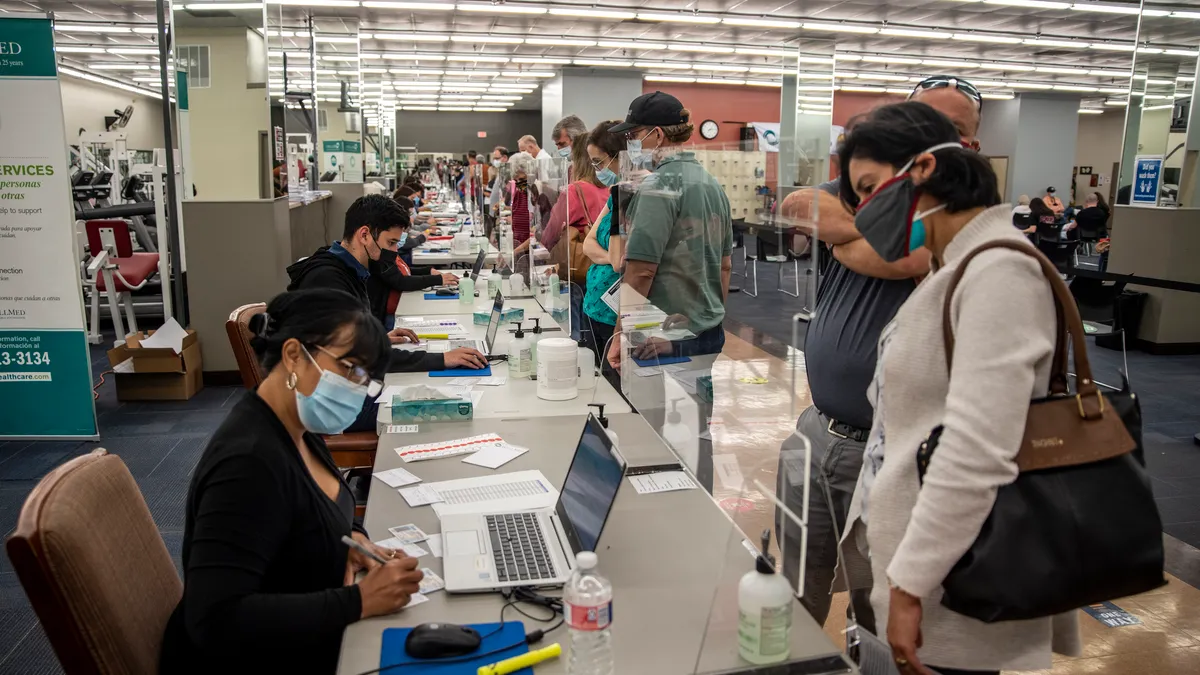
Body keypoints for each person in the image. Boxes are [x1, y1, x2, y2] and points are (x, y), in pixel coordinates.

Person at [837, 99, 1079, 675]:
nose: (866, 209)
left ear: (922, 169)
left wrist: (910, 585)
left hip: (950, 578)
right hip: (917, 557)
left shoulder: (1000, 271)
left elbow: (976, 446)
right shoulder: (954, 267)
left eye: (871, 187)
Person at [774, 74, 983, 634]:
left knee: (880, 617)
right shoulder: (867, 189)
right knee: (792, 591)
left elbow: (910, 258)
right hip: (816, 430)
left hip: (894, 456)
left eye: (948, 132)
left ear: (971, 148)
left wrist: (843, 234)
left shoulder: (968, 224)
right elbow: (796, 204)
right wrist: (868, 233)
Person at [159, 289, 426, 674]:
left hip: (307, 632)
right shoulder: (248, 462)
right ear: (294, 355)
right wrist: (360, 601)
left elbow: (310, 511)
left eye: (364, 376)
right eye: (349, 368)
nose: (357, 386)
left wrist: (353, 541)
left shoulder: (298, 425)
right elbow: (214, 620)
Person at [286, 194, 485, 373]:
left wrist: (375, 338)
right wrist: (442, 358)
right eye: (390, 243)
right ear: (364, 235)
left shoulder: (349, 268)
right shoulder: (329, 280)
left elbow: (350, 343)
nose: (395, 252)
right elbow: (354, 356)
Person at [605, 91, 733, 368]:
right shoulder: (710, 183)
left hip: (662, 337)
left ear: (658, 135)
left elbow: (641, 272)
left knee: (657, 410)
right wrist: (706, 320)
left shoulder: (658, 186)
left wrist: (618, 335)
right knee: (697, 410)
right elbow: (724, 267)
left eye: (633, 135)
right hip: (706, 331)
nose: (631, 144)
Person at [581, 119, 625, 380]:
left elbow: (621, 263)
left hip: (616, 315)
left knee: (617, 391)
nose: (596, 169)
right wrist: (611, 257)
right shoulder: (614, 193)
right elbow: (588, 243)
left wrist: (609, 258)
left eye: (598, 162)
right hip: (594, 306)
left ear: (616, 156)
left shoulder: (628, 196)